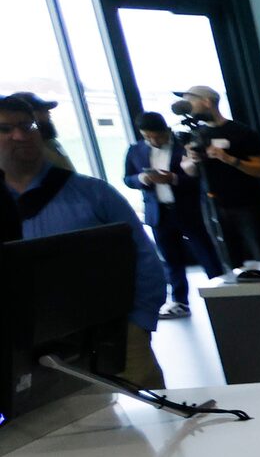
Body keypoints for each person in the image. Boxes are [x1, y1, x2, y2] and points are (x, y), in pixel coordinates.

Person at [2, 92, 169, 384]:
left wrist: (138, 323)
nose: (20, 136)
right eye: (5, 129)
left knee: (155, 420)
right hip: (26, 348)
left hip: (113, 337)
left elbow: (143, 256)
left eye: (28, 126)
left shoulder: (93, 194)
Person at [175, 84, 260, 272]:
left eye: (190, 100)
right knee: (230, 260)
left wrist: (229, 159)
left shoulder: (242, 132)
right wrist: (193, 160)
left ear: (207, 101)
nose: (187, 106)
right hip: (213, 206)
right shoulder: (196, 134)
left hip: (246, 204)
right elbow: (188, 169)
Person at [125, 110, 220, 318]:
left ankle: (220, 291)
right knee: (171, 259)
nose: (152, 140)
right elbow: (127, 179)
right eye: (147, 136)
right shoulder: (136, 150)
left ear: (166, 130)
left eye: (156, 136)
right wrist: (142, 178)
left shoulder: (183, 147)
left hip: (186, 209)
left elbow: (200, 179)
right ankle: (179, 301)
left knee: (205, 251)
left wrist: (173, 179)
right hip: (158, 212)